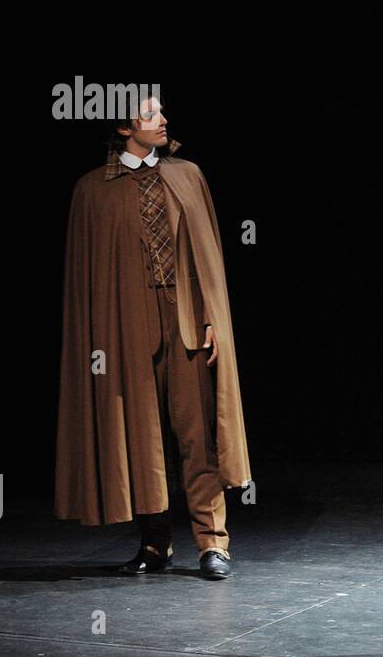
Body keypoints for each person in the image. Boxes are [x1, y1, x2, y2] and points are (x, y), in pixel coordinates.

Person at [55, 96, 252, 580]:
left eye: (162, 112)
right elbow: (88, 279)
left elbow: (207, 257)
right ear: (124, 128)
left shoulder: (187, 175)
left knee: (196, 437)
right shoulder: (93, 191)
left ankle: (212, 543)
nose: (163, 120)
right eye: (149, 114)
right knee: (142, 441)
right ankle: (155, 543)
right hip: (125, 326)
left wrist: (211, 320)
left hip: (183, 320)